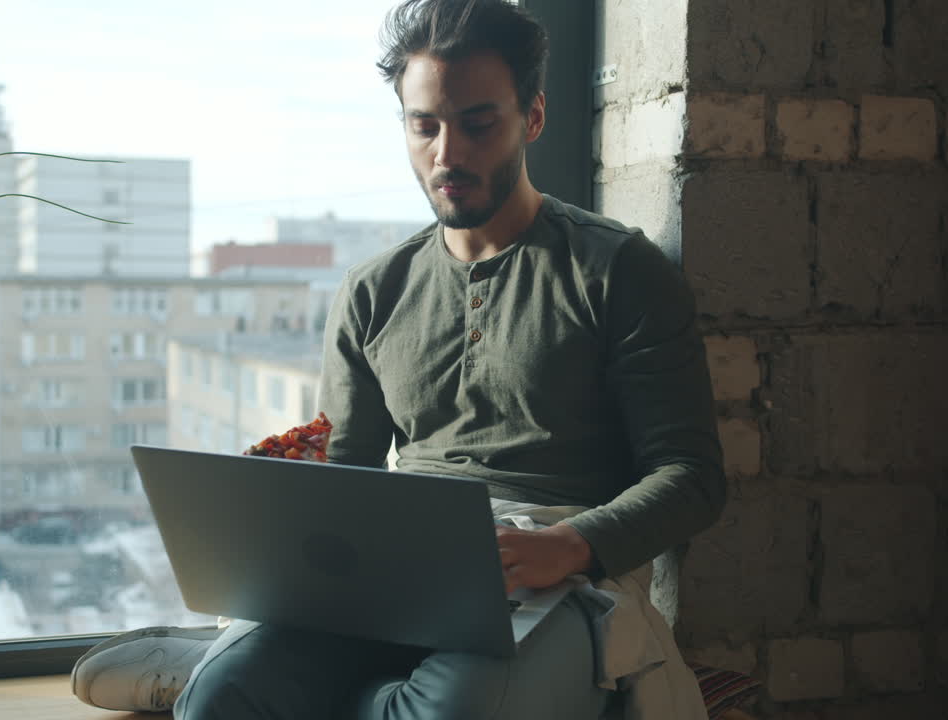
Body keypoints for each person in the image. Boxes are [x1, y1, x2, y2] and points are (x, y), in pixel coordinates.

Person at [71, 1, 724, 718]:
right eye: (425, 126)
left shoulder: (618, 270)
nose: (448, 153)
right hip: (394, 572)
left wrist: (572, 545)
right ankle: (221, 668)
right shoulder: (374, 289)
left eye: (478, 123)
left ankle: (224, 667)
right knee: (221, 701)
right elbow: (347, 479)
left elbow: (691, 477)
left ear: (532, 118)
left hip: (557, 575)